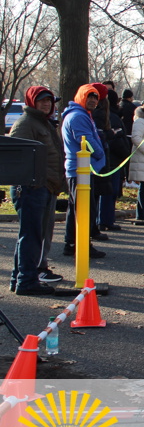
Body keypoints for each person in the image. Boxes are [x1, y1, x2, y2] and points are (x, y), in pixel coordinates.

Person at [9, 86, 66, 294]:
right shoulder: (26, 123)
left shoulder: (44, 123)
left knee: (31, 235)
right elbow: (17, 156)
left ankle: (20, 278)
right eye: (42, 100)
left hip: (44, 186)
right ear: (32, 102)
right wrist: (33, 183)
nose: (47, 104)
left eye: (49, 101)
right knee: (31, 236)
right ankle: (26, 281)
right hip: (31, 188)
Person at [61, 84, 107, 259]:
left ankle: (73, 244)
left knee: (77, 209)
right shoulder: (78, 116)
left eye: (95, 98)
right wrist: (101, 153)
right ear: (81, 97)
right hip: (79, 170)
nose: (93, 101)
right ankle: (80, 244)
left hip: (81, 169)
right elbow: (86, 141)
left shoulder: (82, 114)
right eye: (89, 97)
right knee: (84, 210)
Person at [93, 96, 129, 232]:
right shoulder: (109, 117)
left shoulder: (101, 116)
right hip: (111, 159)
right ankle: (105, 220)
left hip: (107, 159)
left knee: (105, 191)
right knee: (108, 191)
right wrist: (125, 152)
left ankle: (102, 220)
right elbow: (116, 140)